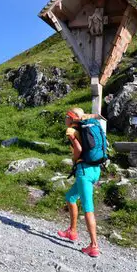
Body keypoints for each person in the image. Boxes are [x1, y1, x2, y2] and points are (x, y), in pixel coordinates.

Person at [57, 107, 102, 257]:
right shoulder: (90, 126)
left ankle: (94, 246)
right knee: (70, 197)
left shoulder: (72, 131)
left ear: (71, 117)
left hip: (84, 171)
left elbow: (78, 148)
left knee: (88, 208)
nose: (65, 119)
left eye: (66, 116)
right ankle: (72, 231)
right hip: (95, 169)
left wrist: (75, 160)